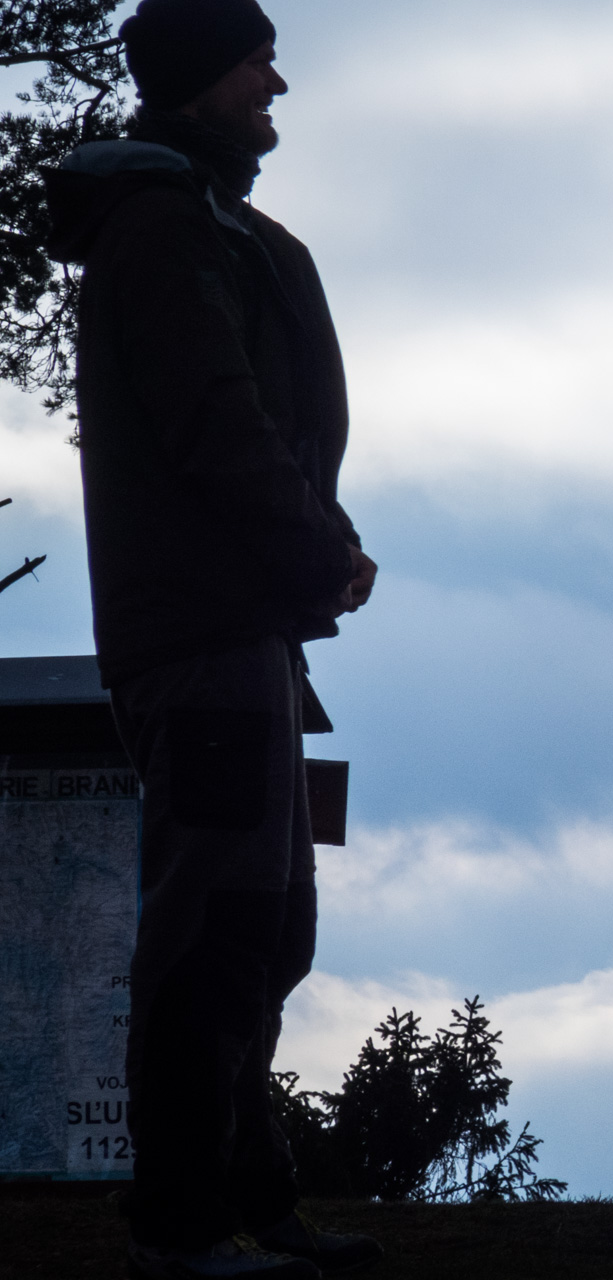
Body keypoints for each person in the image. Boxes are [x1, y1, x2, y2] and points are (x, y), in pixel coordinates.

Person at [46, 1, 379, 1275]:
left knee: (267, 927)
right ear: (197, 82)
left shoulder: (208, 230)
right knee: (215, 929)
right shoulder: (167, 236)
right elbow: (221, 427)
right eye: (255, 63)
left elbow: (257, 429)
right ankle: (181, 1226)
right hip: (204, 636)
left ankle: (255, 1200)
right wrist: (319, 551)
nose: (277, 83)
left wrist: (311, 552)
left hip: (240, 632)